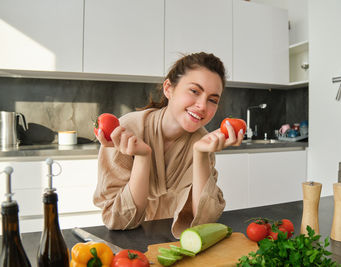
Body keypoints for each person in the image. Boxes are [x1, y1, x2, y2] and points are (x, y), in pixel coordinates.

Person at [93, 52, 244, 238]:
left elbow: (204, 222)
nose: (203, 106)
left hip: (178, 246)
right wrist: (143, 157)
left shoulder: (203, 142)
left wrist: (201, 155)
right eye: (195, 91)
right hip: (131, 248)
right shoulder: (125, 131)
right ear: (168, 88)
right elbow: (117, 220)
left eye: (212, 99)